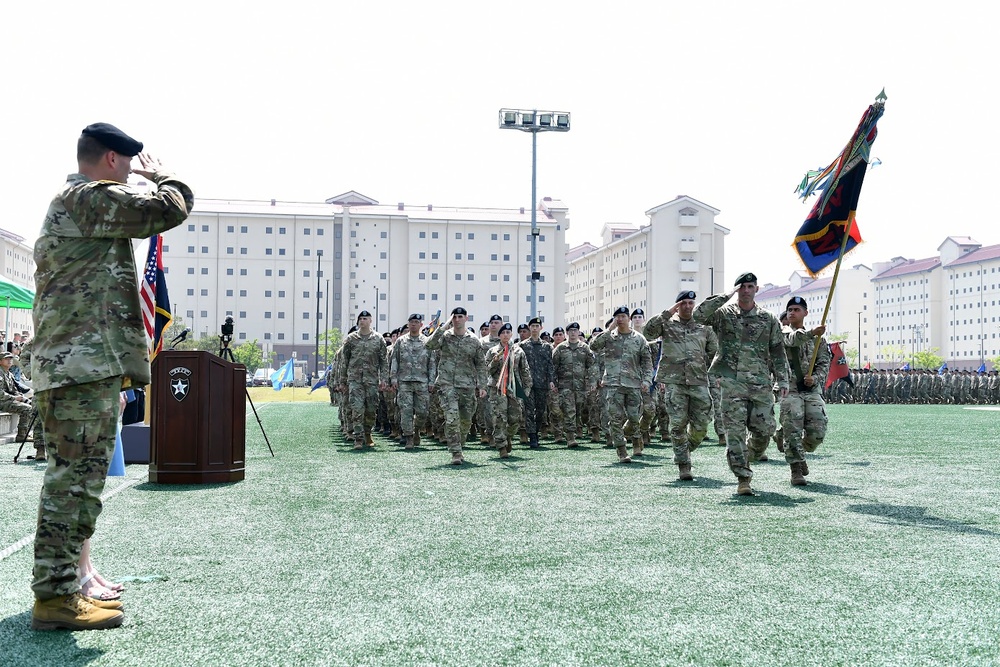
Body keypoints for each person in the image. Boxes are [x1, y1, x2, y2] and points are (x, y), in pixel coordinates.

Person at [30, 122, 194, 631]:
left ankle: (64, 588)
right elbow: (169, 208)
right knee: (72, 483)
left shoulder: (85, 203)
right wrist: (163, 175)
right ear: (109, 162)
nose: (131, 175)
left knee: (79, 479)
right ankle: (55, 595)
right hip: (78, 368)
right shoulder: (86, 198)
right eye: (127, 165)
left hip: (83, 367)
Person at [693, 272, 788, 496]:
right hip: (731, 382)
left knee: (765, 430)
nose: (746, 290)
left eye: (750, 286)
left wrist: (783, 378)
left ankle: (750, 454)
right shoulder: (723, 315)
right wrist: (726, 296)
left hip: (759, 382)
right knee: (734, 432)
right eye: (742, 287)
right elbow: (699, 315)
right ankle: (743, 478)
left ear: (756, 289)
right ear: (737, 289)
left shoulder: (768, 318)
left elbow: (777, 350)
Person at [643, 291, 719, 481]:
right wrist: (668, 313)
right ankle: (684, 465)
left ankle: (684, 449)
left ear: (695, 304)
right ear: (677, 305)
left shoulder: (705, 326)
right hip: (674, 382)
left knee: (702, 425)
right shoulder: (667, 324)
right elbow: (648, 332)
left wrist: (717, 375)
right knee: (677, 425)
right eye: (682, 303)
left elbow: (715, 352)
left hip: (699, 380)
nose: (687, 306)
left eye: (690, 303)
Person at [589, 306, 653, 463]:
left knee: (634, 417)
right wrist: (609, 329)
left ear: (629, 319)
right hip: (613, 384)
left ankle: (637, 441)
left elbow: (646, 362)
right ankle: (622, 450)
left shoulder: (639, 338)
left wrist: (646, 380)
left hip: (633, 383)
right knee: (615, 419)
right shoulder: (608, 337)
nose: (620, 319)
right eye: (617, 316)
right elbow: (593, 346)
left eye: (623, 316)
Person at [779, 297, 830, 486]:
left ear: (805, 313)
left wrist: (815, 378)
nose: (792, 313)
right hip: (789, 389)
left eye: (797, 309)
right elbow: (792, 340)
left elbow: (824, 363)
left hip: (811, 390)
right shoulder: (782, 332)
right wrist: (811, 333)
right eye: (790, 309)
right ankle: (796, 469)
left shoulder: (819, 340)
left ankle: (785, 438)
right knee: (793, 429)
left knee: (817, 432)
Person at [425, 307, 487, 464]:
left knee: (465, 420)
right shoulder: (445, 336)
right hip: (447, 385)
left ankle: (460, 444)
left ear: (466, 318)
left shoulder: (474, 340)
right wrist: (442, 327)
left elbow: (480, 364)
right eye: (454, 317)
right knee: (452, 418)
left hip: (467, 385)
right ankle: (456, 452)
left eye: (460, 317)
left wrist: (482, 386)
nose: (457, 320)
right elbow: (429, 345)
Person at [337, 310, 388, 450]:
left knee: (371, 409)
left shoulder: (378, 339)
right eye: (360, 318)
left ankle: (367, 433)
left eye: (365, 318)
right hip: (355, 380)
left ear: (370, 321)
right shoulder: (351, 339)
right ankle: (358, 438)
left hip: (372, 380)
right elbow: (344, 361)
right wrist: (342, 381)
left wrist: (384, 379)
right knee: (357, 409)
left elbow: (384, 361)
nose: (362, 321)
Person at [485, 323, 532, 458]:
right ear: (499, 335)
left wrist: (527, 389)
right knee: (500, 417)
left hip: (514, 388)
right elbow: (486, 370)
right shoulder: (493, 351)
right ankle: (501, 446)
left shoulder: (518, 351)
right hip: (498, 388)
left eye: (508, 332)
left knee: (516, 417)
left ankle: (508, 437)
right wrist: (494, 362)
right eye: (503, 333)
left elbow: (525, 370)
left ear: (511, 334)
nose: (505, 335)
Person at [389, 314, 436, 449]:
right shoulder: (400, 341)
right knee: (406, 410)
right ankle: (409, 437)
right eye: (411, 322)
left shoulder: (427, 342)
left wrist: (432, 381)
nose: (414, 324)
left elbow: (432, 363)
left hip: (422, 381)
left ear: (421, 325)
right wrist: (393, 378)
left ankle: (416, 431)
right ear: (408, 324)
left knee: (422, 412)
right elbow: (394, 360)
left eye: (417, 322)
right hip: (404, 382)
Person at [551, 322, 594, 448]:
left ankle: (576, 429)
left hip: (581, 386)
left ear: (579, 332)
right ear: (567, 333)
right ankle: (570, 437)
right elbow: (553, 366)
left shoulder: (585, 348)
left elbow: (592, 365)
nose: (573, 333)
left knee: (578, 410)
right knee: (569, 410)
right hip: (565, 386)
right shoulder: (560, 348)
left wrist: (592, 381)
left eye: (575, 330)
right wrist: (553, 382)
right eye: (571, 331)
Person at [518, 317, 555, 448]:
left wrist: (551, 380)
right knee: (528, 410)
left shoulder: (546, 346)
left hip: (542, 383)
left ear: (541, 328)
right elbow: (518, 365)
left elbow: (550, 365)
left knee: (540, 410)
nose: (534, 328)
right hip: (527, 384)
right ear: (529, 328)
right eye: (532, 326)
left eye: (537, 326)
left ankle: (537, 431)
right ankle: (532, 435)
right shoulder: (522, 346)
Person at [0, 351, 44, 460]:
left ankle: (24, 433)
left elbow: (14, 390)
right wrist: (14, 398)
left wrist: (20, 397)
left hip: (7, 400)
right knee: (28, 409)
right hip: (2, 401)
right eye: (6, 359)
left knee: (32, 406)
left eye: (10, 358)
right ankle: (21, 434)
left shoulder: (8, 373)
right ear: (0, 361)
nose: (10, 360)